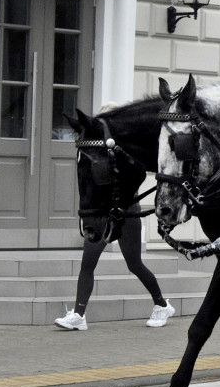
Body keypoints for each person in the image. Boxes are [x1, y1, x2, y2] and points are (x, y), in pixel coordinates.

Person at [56, 103, 174, 331]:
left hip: (127, 213)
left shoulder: (126, 151)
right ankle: (79, 314)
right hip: (102, 213)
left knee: (135, 264)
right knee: (88, 263)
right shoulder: (100, 150)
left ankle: (162, 305)